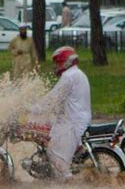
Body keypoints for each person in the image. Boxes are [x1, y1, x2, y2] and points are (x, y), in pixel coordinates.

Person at [32, 46, 92, 180]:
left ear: (65, 62)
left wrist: (34, 108)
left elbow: (53, 97)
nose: (56, 66)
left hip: (72, 122)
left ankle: (67, 180)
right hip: (77, 118)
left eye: (57, 63)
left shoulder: (68, 76)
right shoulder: (78, 74)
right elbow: (61, 99)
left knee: (52, 151)